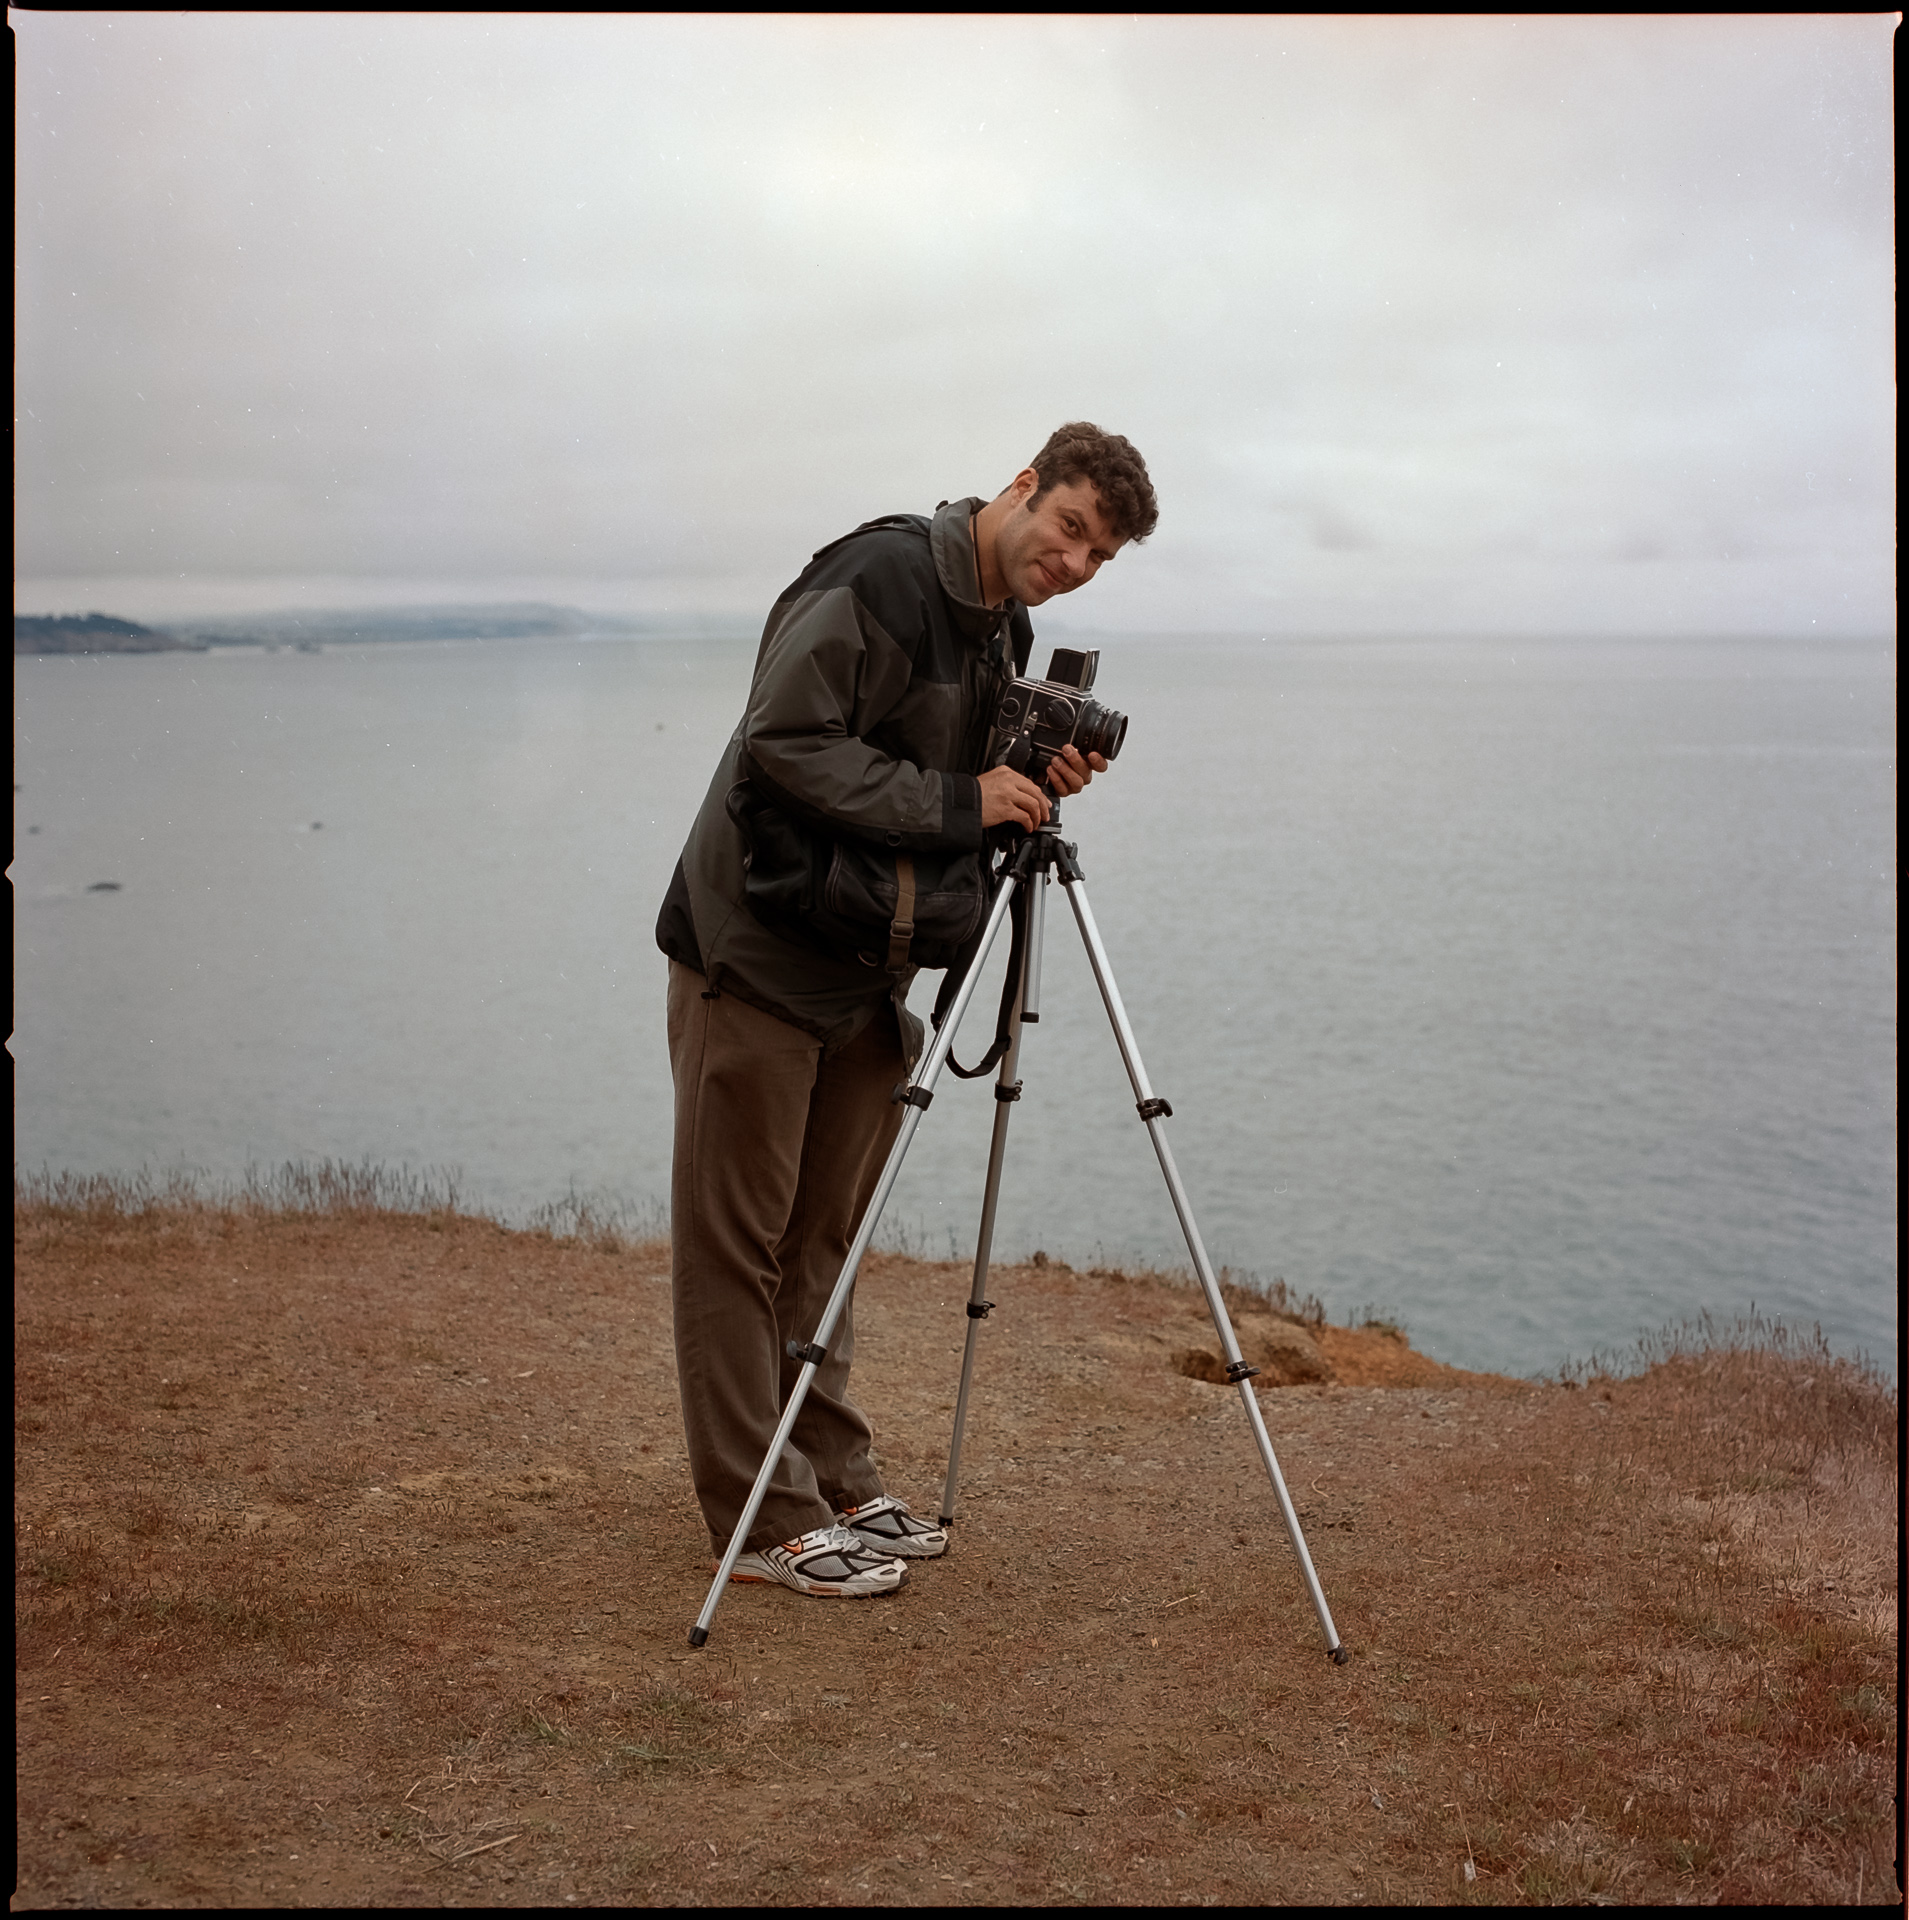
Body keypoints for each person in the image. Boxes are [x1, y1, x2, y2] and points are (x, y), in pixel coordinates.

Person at [655, 422, 1159, 1597]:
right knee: (739, 1244)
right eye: (1071, 527)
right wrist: (958, 797)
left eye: (1101, 556)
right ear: (1023, 488)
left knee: (823, 1240)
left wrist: (1029, 779)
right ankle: (760, 1514)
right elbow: (784, 742)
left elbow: (958, 785)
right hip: (758, 951)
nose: (1075, 560)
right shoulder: (874, 576)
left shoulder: (1006, 627)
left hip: (865, 965)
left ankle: (828, 1472)